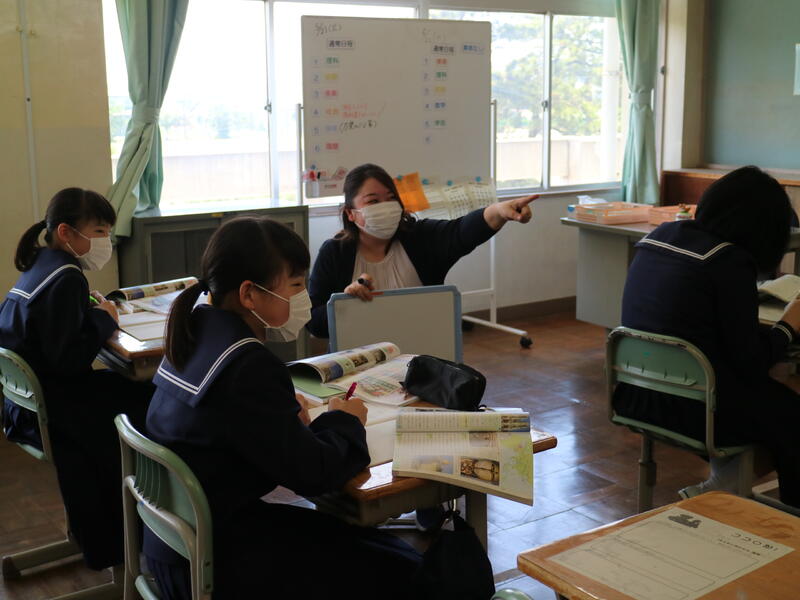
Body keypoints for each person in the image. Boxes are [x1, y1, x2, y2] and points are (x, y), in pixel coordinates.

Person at [144, 217, 422, 599]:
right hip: (214, 562)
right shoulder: (246, 365)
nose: (303, 296)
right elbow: (315, 475)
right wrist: (345, 419)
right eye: (295, 285)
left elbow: (234, 429)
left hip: (176, 543)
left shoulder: (194, 332)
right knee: (404, 569)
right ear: (249, 294)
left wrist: (281, 418)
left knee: (377, 550)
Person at [612, 166, 800, 507]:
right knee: (789, 416)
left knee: (773, 416)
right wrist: (789, 324)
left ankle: (723, 487)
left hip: (636, 395)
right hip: (696, 410)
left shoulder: (661, 235)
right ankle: (775, 521)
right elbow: (752, 363)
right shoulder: (729, 261)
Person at [0, 187, 152, 569]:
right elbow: (70, 360)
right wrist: (103, 319)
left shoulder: (40, 263)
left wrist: (87, 313)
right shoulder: (67, 275)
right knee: (150, 396)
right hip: (55, 411)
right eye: (99, 232)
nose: (105, 242)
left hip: (23, 407)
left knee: (127, 387)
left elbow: (49, 333)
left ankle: (117, 535)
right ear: (66, 232)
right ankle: (129, 540)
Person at [307, 163, 537, 338]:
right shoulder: (335, 252)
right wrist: (343, 303)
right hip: (358, 361)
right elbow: (314, 323)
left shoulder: (420, 237)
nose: (385, 207)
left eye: (391, 198)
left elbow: (461, 232)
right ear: (350, 213)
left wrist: (499, 211)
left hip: (422, 354)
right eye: (373, 201)